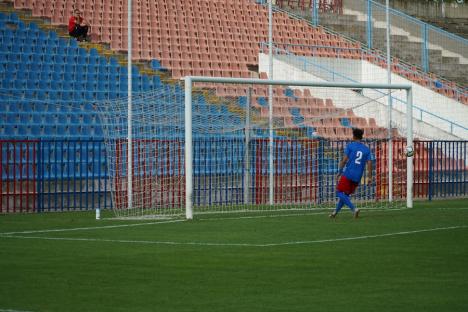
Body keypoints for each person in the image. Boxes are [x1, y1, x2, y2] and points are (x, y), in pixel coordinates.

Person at [330, 128, 373, 219]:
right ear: (361, 137)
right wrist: (369, 177)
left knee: (339, 192)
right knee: (345, 195)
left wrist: (340, 172)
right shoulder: (366, 149)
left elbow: (344, 160)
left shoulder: (350, 146)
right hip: (358, 176)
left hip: (348, 173)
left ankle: (354, 209)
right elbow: (369, 163)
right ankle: (335, 213)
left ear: (353, 136)